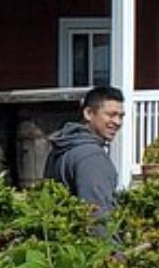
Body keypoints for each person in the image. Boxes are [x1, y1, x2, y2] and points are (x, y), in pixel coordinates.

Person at [43, 85, 126, 218]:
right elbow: (97, 215)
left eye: (121, 116)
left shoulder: (64, 144)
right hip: (82, 237)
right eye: (111, 115)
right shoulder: (91, 157)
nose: (117, 122)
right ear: (88, 113)